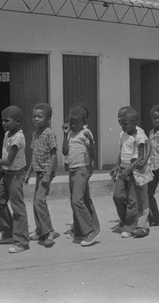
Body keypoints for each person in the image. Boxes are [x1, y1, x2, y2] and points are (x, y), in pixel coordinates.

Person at [0, 105, 30, 254]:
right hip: (7, 173)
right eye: (2, 120)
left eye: (6, 120)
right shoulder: (8, 134)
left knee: (18, 207)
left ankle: (22, 241)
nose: (3, 123)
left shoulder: (18, 138)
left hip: (16, 174)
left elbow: (9, 161)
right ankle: (8, 233)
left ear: (18, 121)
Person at [62, 105, 100, 246]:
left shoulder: (86, 133)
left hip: (83, 169)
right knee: (80, 198)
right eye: (70, 121)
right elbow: (65, 152)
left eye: (75, 122)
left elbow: (93, 154)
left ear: (83, 122)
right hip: (72, 169)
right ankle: (79, 231)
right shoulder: (70, 133)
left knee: (76, 200)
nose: (72, 124)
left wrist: (90, 143)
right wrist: (65, 134)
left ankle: (90, 230)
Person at [112, 107, 151, 238]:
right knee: (117, 196)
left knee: (134, 199)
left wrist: (142, 162)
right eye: (121, 121)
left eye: (125, 122)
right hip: (123, 169)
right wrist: (117, 166)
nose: (122, 124)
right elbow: (121, 150)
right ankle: (126, 220)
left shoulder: (139, 134)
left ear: (134, 122)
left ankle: (132, 226)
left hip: (135, 170)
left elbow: (143, 153)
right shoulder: (123, 134)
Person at [24, 103, 59, 248]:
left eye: (40, 116)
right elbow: (34, 155)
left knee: (40, 202)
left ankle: (49, 231)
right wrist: (28, 173)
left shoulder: (49, 133)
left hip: (46, 172)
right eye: (34, 116)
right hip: (38, 171)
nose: (36, 119)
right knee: (35, 202)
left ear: (48, 118)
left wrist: (48, 174)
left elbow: (54, 155)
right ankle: (40, 231)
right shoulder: (35, 133)